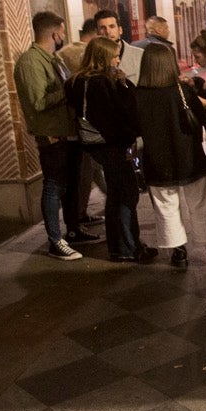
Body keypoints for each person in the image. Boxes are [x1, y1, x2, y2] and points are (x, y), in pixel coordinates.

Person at [14, 10, 96, 260]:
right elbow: (38, 102)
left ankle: (73, 229)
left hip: (67, 132)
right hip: (51, 135)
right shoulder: (30, 62)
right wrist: (70, 88)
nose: (63, 36)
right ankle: (55, 240)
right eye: (61, 32)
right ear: (53, 33)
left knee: (71, 184)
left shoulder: (53, 59)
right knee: (53, 186)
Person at [134, 43, 206, 269]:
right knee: (202, 201)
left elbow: (134, 127)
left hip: (157, 160)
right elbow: (202, 118)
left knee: (166, 206)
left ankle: (179, 252)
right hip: (189, 156)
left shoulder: (138, 95)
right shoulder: (182, 91)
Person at [65, 38, 145, 263]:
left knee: (116, 194)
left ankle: (120, 247)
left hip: (96, 145)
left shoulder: (76, 81)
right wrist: (124, 86)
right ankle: (128, 247)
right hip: (113, 145)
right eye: (114, 56)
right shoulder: (101, 83)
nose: (118, 60)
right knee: (125, 194)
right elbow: (120, 115)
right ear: (103, 57)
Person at [93, 10, 142, 84]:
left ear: (120, 30)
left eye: (112, 26)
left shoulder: (139, 55)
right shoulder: (91, 58)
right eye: (103, 28)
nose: (108, 32)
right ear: (97, 32)